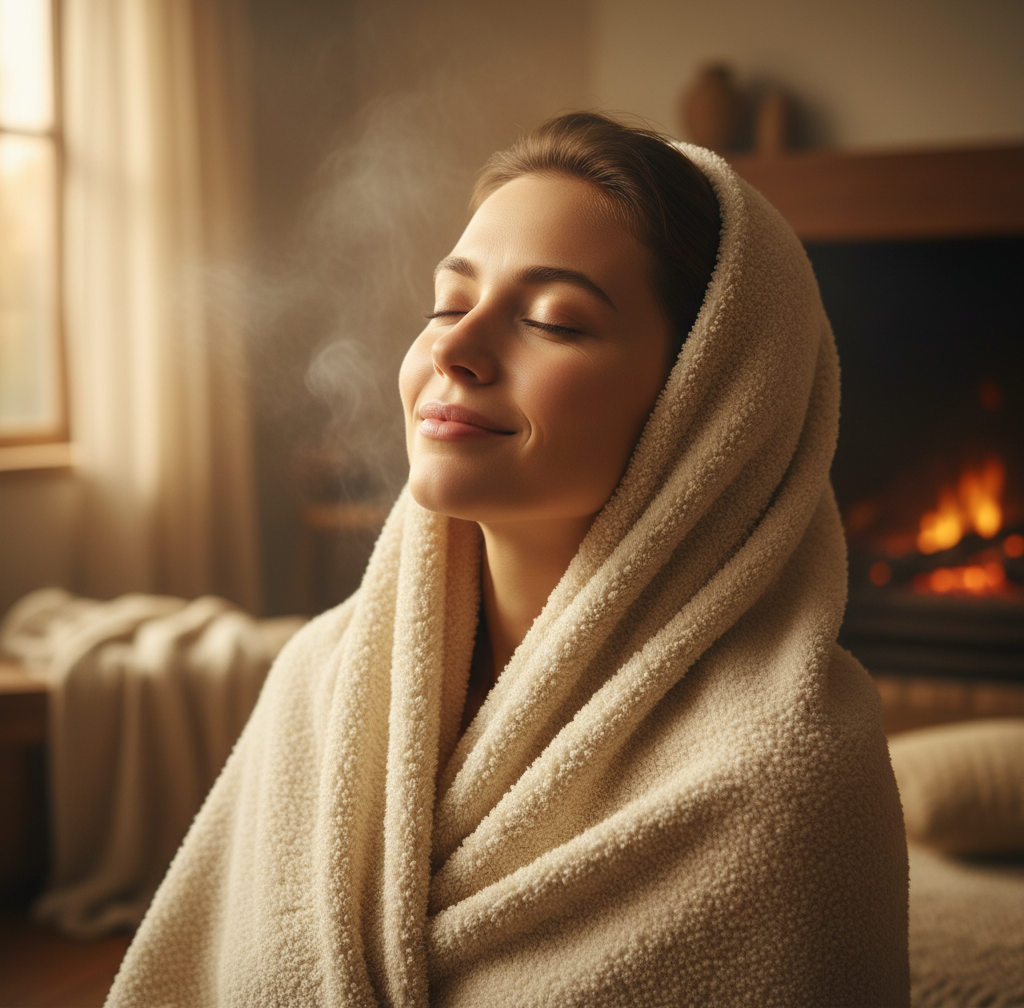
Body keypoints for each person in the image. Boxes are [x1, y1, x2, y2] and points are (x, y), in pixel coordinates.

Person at [107, 113, 909, 1007]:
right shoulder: (318, 682)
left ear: (707, 405)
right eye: (448, 304)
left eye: (553, 321)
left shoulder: (781, 772)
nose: (453, 347)